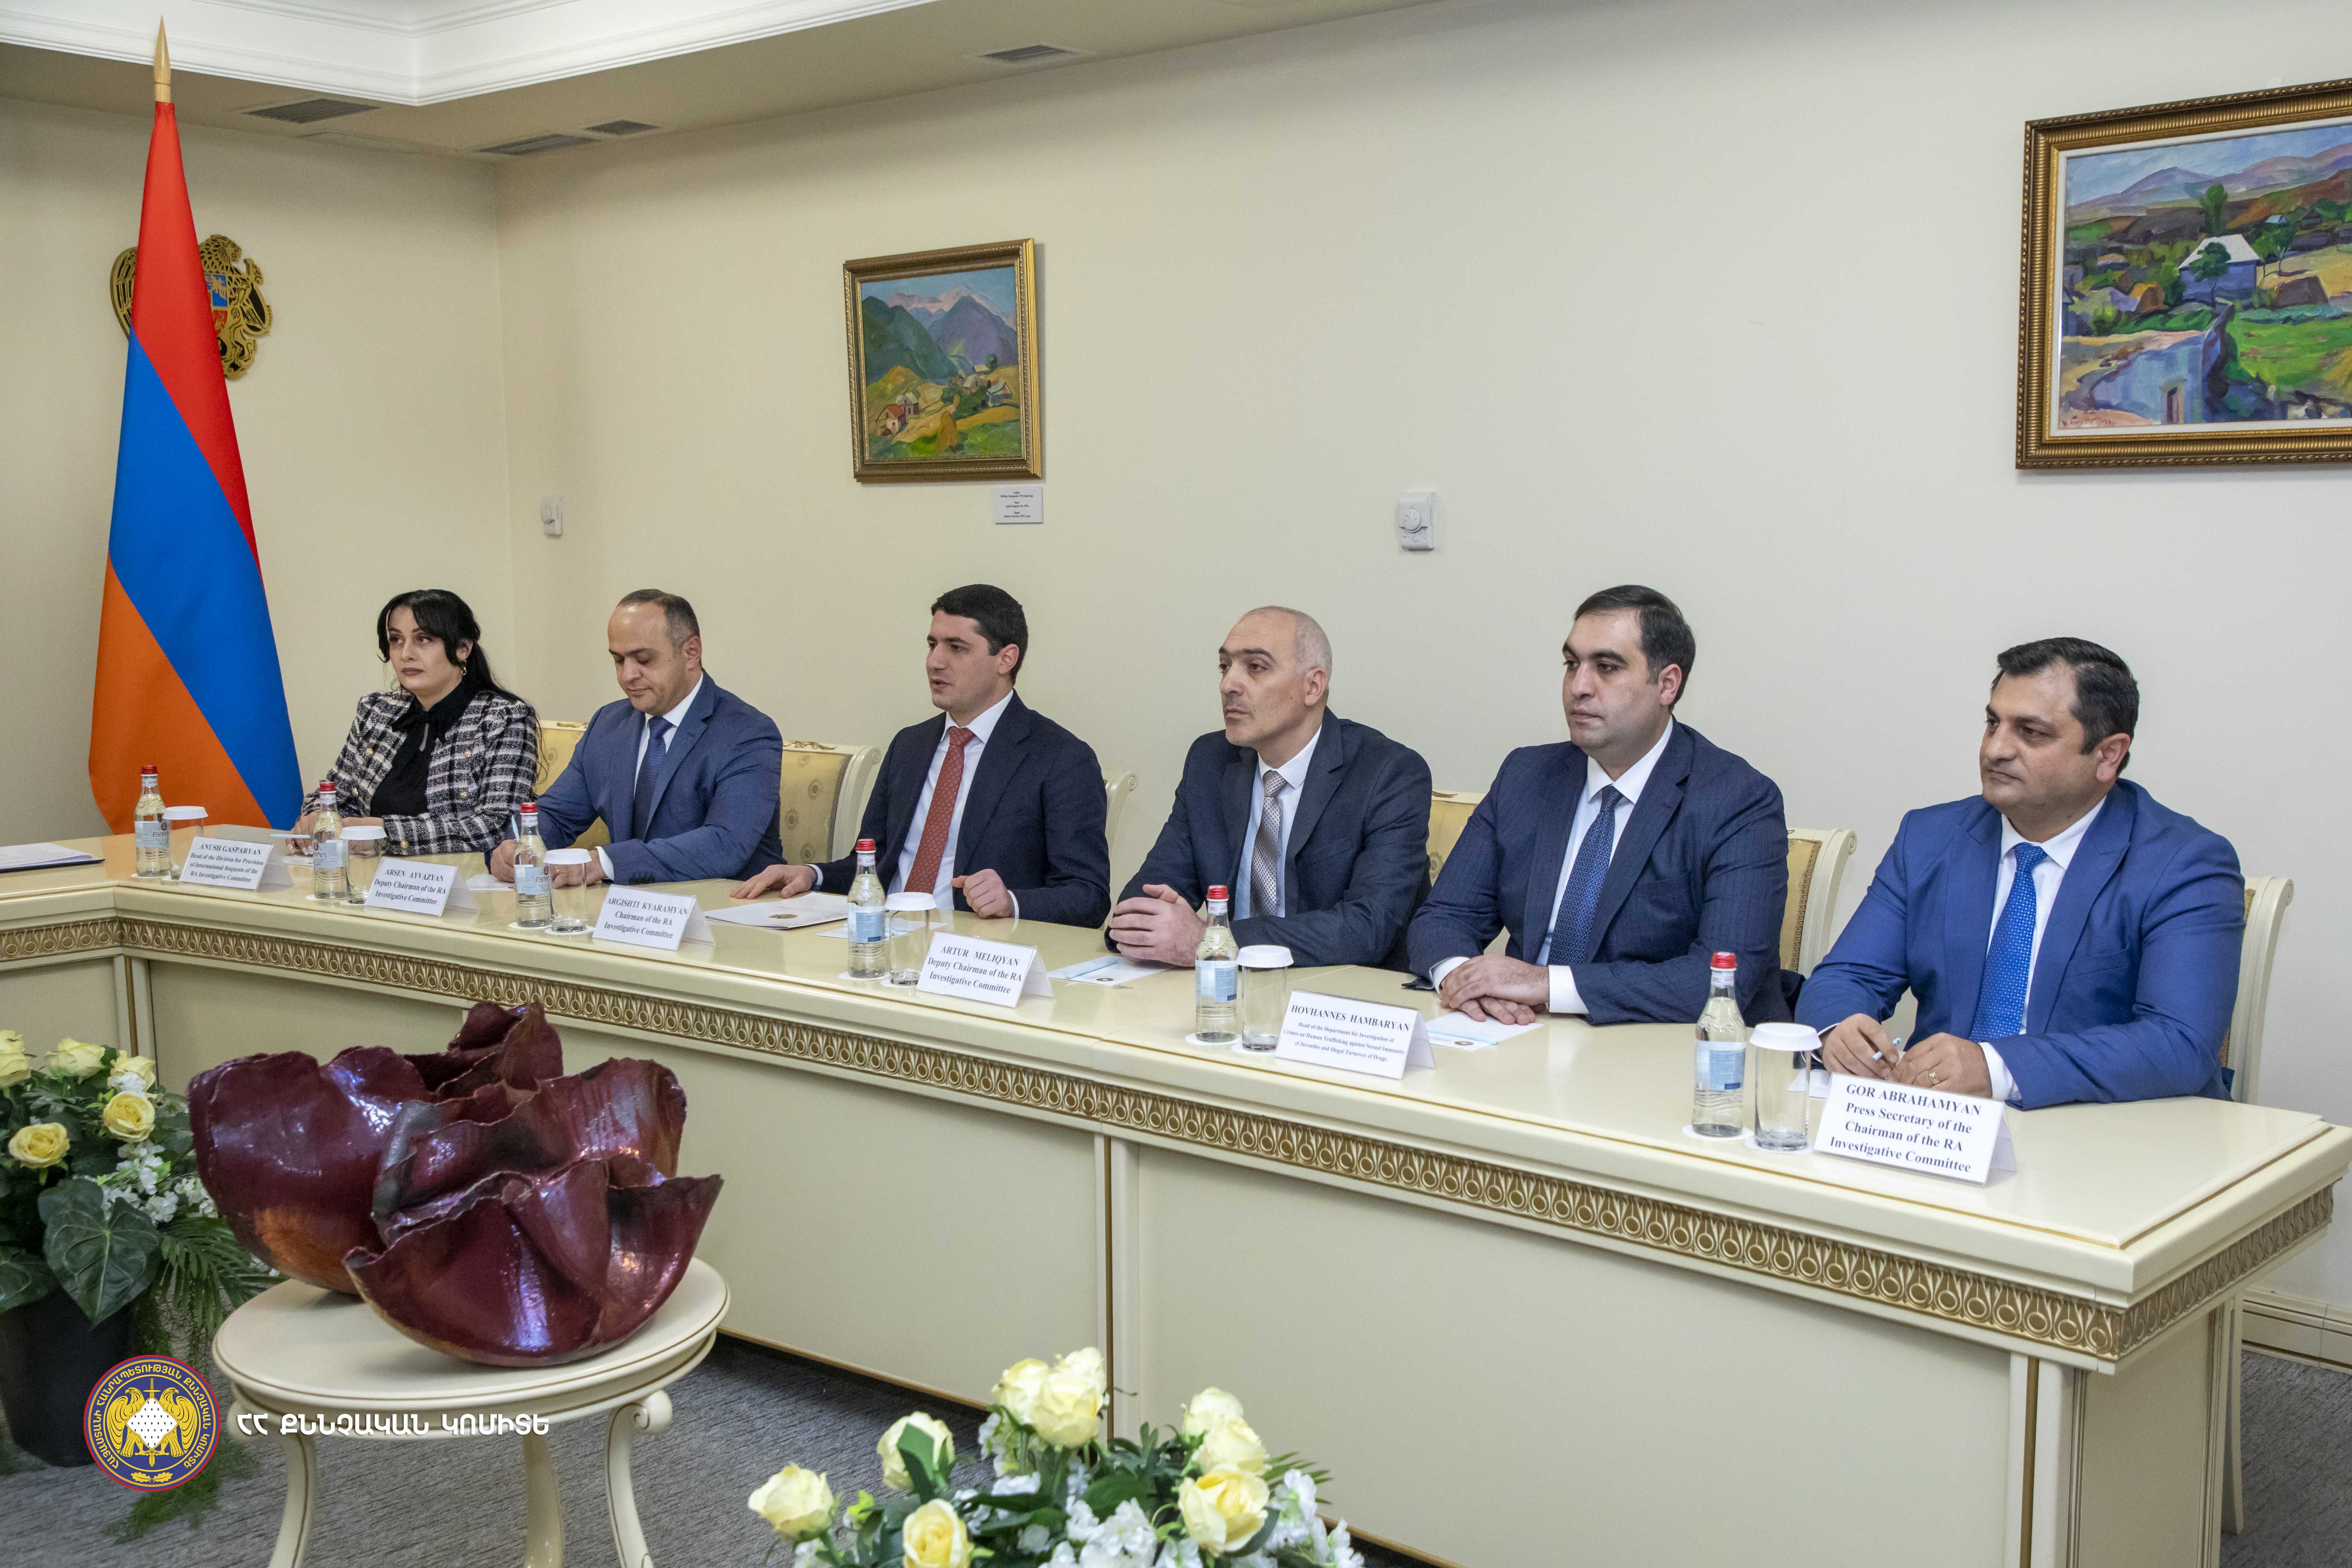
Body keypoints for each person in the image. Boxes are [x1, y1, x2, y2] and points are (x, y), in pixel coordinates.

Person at [1800, 639, 2241, 1106]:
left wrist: (1995, 1068)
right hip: (1939, 1125)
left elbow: (2177, 1043)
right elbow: (1845, 978)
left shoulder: (2184, 863)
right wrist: (1839, 1030)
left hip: (2106, 1129)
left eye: (2031, 733)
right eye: (1993, 723)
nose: (1995, 749)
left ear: (2108, 755)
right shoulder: (1930, 838)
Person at [1406, 585, 1789, 1025]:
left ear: (1667, 684)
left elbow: (1718, 980)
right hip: (1516, 1029)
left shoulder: (1738, 800)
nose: (1579, 687)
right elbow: (1444, 916)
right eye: (1572, 665)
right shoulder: (1526, 775)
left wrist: (1547, 985)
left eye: (1606, 668)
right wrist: (1463, 981)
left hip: (1653, 1046)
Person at [731, 585, 1110, 925]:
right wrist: (812, 875)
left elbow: (1088, 895)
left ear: (1006, 659)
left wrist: (1012, 901)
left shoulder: (1061, 758)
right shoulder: (910, 745)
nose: (935, 662)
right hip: (880, 935)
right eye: (932, 645)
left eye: (956, 648)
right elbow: (872, 863)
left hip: (972, 953)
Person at [1107, 607, 1431, 969]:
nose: (1228, 685)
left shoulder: (1388, 773)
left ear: (1312, 686)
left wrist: (1213, 941)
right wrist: (1148, 926)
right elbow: (1140, 905)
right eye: (1225, 666)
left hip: (1343, 992)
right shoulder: (1210, 761)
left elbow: (1366, 930)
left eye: (1256, 667)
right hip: (1230, 991)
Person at [491, 590, 782, 886]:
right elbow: (557, 814)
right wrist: (519, 845)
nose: (628, 675)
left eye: (644, 659)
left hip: (725, 906)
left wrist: (604, 862)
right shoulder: (608, 723)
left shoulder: (748, 732)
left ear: (691, 653)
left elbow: (725, 844)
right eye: (619, 660)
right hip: (625, 908)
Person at [296, 590, 537, 857]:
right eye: (396, 640)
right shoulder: (376, 710)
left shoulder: (505, 718)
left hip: (460, 877)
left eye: (423, 639)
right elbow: (335, 794)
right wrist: (318, 815)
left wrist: (385, 833)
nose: (406, 654)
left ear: (462, 649)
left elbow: (499, 827)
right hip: (370, 873)